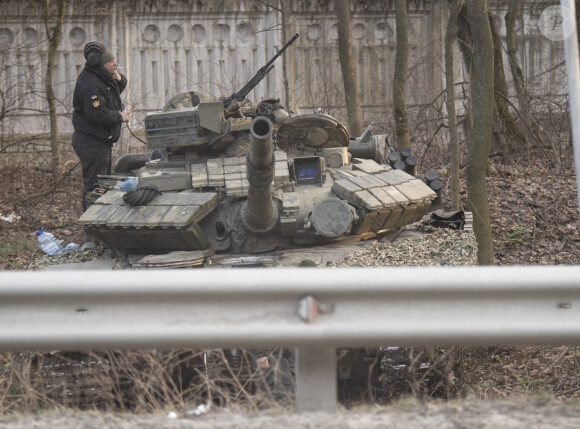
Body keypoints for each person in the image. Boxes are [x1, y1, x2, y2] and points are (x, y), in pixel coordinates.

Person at [72, 42, 129, 211]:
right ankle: (91, 229)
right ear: (100, 64)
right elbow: (97, 114)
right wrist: (119, 117)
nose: (114, 64)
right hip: (91, 142)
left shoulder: (100, 77)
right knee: (95, 187)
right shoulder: (90, 84)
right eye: (110, 62)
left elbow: (114, 91)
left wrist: (118, 77)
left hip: (100, 141)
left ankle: (99, 224)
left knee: (103, 185)